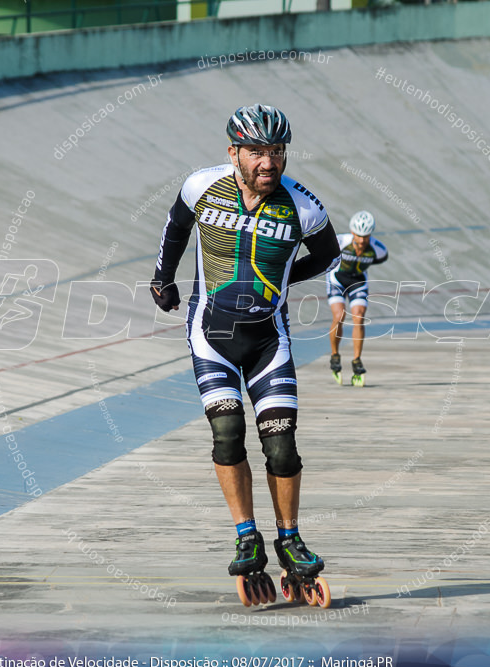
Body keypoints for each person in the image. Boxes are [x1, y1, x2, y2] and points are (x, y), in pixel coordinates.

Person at [149, 103, 341, 597]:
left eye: (276, 152)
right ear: (233, 152)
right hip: (210, 335)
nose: (268, 163)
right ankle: (246, 536)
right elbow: (175, 230)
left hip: (267, 339)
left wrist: (284, 278)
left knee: (281, 443)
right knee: (229, 433)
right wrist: (162, 280)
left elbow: (327, 254)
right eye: (255, 152)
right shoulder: (200, 187)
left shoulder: (304, 207)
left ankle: (290, 539)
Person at [326, 210, 388, 385]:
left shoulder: (378, 249)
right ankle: (335, 355)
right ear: (352, 233)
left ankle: (357, 360)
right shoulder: (339, 241)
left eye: (365, 237)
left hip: (359, 281)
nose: (361, 241)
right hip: (337, 279)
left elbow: (380, 259)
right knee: (339, 316)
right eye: (358, 236)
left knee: (359, 317)